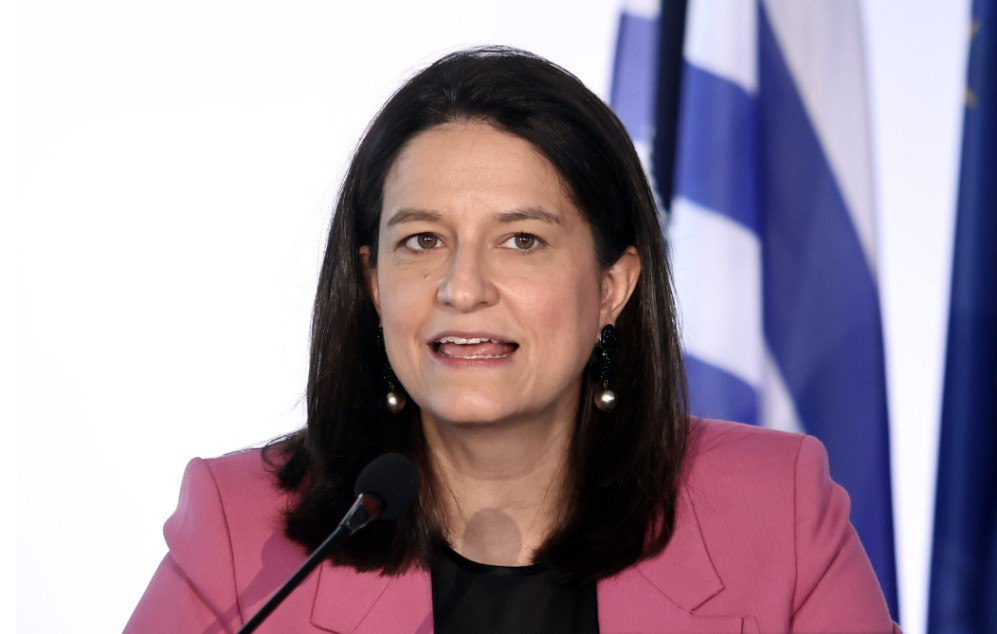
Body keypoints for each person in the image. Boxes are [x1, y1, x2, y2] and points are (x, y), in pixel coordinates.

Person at [126, 47, 899, 633]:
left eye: (521, 240)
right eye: (422, 240)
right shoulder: (240, 529)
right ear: (372, 283)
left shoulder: (776, 510)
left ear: (611, 287)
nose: (463, 288)